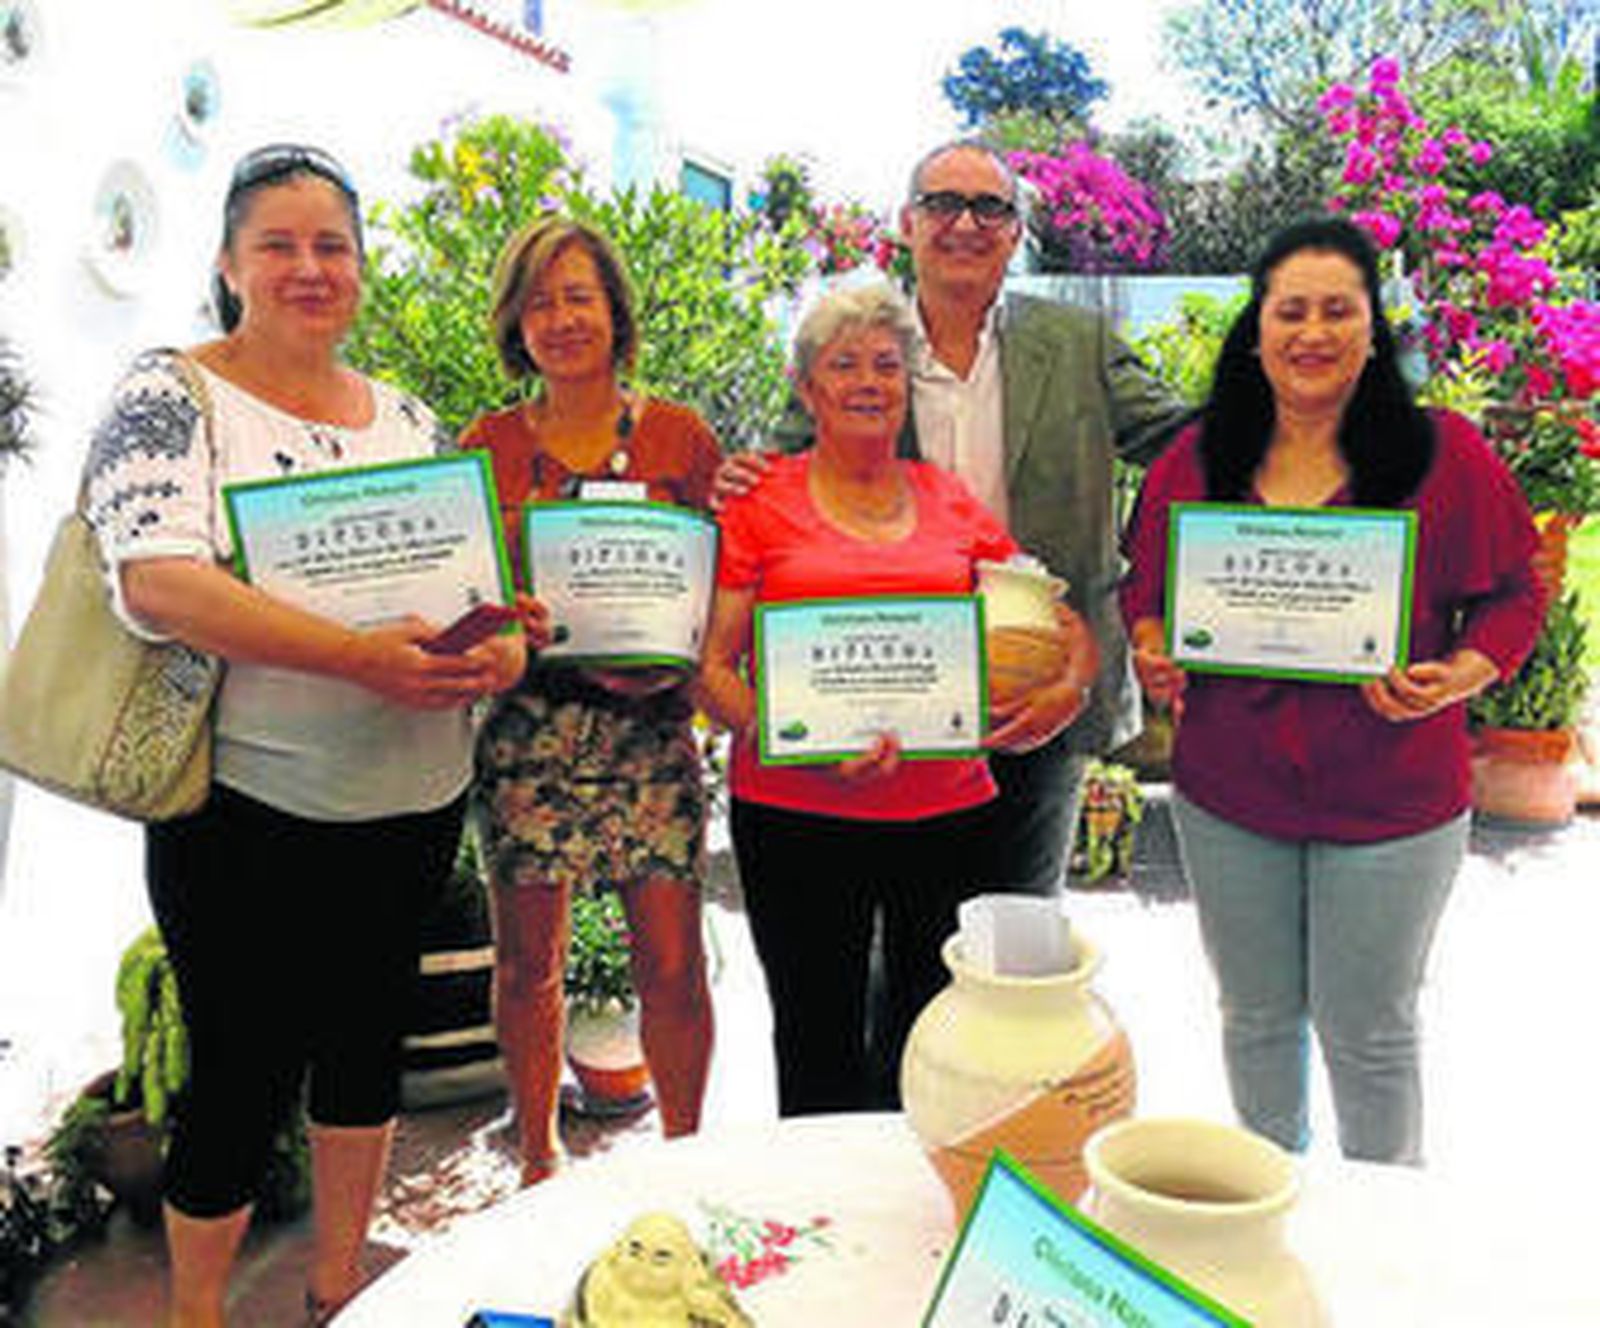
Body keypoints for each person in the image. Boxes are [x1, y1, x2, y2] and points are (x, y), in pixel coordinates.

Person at [83, 144, 525, 1327]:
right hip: (246, 813)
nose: (308, 267)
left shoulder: (409, 415)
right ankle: (197, 1313)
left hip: (411, 805)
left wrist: (500, 649)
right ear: (228, 263)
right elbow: (158, 581)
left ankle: (338, 1284)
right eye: (278, 243)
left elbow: (463, 581)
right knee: (236, 1080)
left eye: (332, 244)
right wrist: (359, 658)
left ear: (362, 269)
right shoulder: (173, 394)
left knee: (365, 1053)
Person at [1119, 217, 1544, 1164]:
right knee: (1256, 1022)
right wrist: (1153, 650)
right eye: (1291, 311)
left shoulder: (1447, 455)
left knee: (1373, 1034)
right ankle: (1271, 1220)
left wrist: (1459, 678)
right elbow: (1141, 595)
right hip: (1232, 794)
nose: (1313, 333)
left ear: (1372, 327)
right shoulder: (1195, 461)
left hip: (1394, 796)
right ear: (1258, 327)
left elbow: (1518, 592)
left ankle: (1380, 1247)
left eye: (1338, 311)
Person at [719, 139, 1194, 897]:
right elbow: (781, 469)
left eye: (991, 207)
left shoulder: (1079, 344)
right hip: (894, 692)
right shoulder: (862, 347)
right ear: (907, 222)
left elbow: (1188, 450)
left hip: (1038, 694)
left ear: (1015, 232)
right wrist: (740, 474)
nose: (966, 223)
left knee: (1016, 933)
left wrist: (1310, 414)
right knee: (898, 955)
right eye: (943, 203)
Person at [699, 281, 1098, 1114]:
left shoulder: (950, 499)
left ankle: (916, 1219)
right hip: (797, 814)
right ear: (808, 389)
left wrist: (1068, 687)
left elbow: (1056, 613)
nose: (869, 381)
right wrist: (794, 738)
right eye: (844, 365)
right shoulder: (759, 500)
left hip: (947, 818)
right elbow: (712, 669)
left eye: (887, 363)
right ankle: (828, 1225)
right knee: (815, 1040)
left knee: (936, 1037)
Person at [466, 215, 719, 1182]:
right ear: (515, 325)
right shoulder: (484, 446)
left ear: (615, 310)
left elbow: (715, 589)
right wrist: (501, 625)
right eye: (539, 302)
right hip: (529, 729)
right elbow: (465, 596)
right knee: (530, 967)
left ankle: (683, 1166)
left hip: (652, 732)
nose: (562, 318)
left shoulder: (679, 437)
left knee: (672, 967)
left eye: (579, 296)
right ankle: (537, 1161)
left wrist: (676, 662)